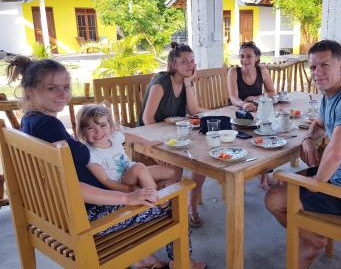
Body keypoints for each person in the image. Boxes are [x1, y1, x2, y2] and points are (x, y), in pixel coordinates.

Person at [6, 56, 206, 269]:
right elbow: (70, 187)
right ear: (30, 90)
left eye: (65, 87)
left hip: (56, 218)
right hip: (90, 219)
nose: (63, 94)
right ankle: (184, 263)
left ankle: (142, 259)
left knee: (144, 185)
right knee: (173, 200)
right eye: (52, 88)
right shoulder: (49, 127)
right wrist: (127, 197)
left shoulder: (30, 121)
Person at [265, 40, 341, 269]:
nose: (317, 73)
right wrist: (308, 138)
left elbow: (335, 153)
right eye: (313, 67)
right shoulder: (332, 96)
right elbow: (318, 124)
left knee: (273, 198)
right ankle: (310, 233)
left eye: (324, 65)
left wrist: (312, 184)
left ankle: (313, 240)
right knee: (276, 179)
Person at [140, 42, 207, 228]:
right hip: (151, 137)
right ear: (173, 65)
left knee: (202, 157)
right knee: (176, 168)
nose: (190, 65)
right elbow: (147, 119)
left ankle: (191, 203)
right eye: (184, 62)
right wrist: (162, 146)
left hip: (175, 133)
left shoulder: (185, 81)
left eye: (192, 61)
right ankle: (171, 215)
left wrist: (189, 83)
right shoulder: (161, 83)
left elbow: (193, 110)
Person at [76, 104, 177, 192]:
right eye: (90, 128)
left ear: (111, 127)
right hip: (121, 182)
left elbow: (128, 136)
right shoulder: (90, 153)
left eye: (103, 125)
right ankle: (156, 197)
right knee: (139, 167)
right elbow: (106, 181)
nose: (98, 132)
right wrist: (129, 190)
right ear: (83, 132)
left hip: (134, 173)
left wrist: (146, 142)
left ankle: (155, 189)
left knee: (171, 172)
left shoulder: (113, 137)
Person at [227, 41, 277, 190]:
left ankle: (264, 176)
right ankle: (241, 175)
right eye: (242, 56)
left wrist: (255, 98)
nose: (244, 60)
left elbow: (272, 92)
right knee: (252, 135)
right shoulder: (233, 72)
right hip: (237, 112)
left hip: (257, 110)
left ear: (257, 58)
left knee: (267, 130)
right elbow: (233, 98)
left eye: (249, 56)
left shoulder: (262, 70)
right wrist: (243, 104)